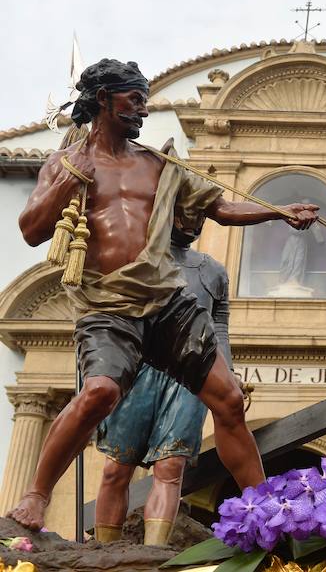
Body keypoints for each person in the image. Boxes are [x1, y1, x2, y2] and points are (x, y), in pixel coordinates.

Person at [9, 58, 318, 530]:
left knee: (230, 401)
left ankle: (266, 514)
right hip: (109, 306)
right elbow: (31, 230)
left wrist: (277, 213)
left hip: (166, 300)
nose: (142, 111)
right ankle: (35, 495)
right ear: (102, 101)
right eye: (133, 101)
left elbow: (219, 207)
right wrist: (64, 189)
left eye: (144, 101)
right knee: (99, 392)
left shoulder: (157, 164)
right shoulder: (67, 162)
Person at [93, 216, 232, 546]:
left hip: (190, 375)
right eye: (185, 212)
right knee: (117, 468)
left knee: (171, 468)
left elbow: (219, 329)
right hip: (140, 368)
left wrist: (229, 377)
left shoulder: (213, 270)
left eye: (199, 215)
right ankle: (104, 553)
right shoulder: (137, 259)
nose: (192, 220)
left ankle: (153, 554)